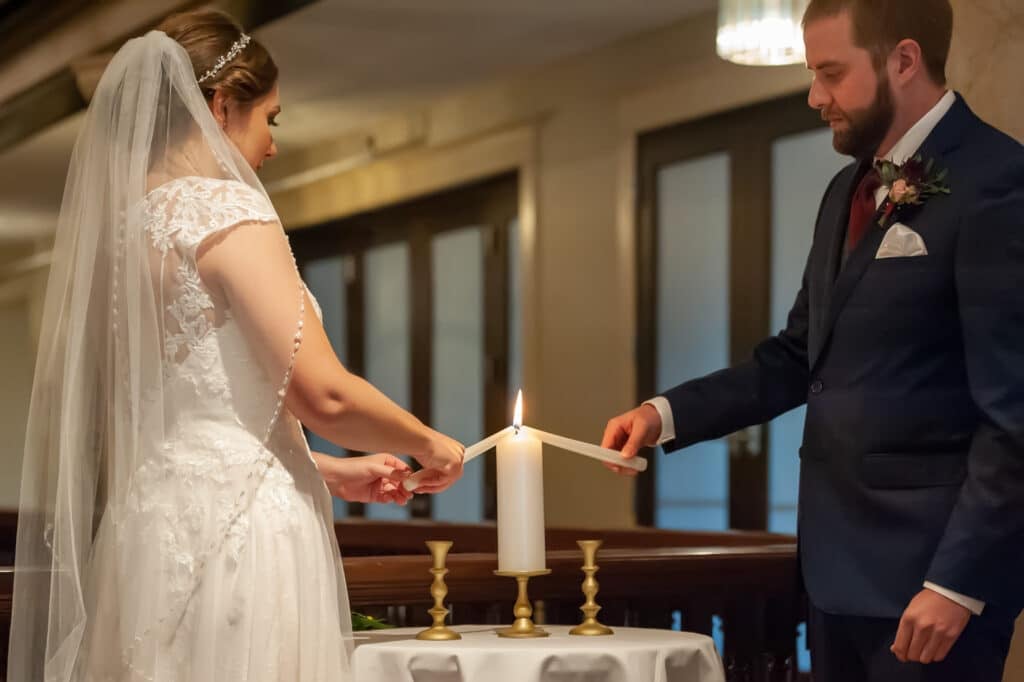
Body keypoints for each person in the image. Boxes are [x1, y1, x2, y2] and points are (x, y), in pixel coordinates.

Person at [8, 9, 464, 681]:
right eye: (269, 119)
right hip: (238, 537)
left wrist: (330, 472)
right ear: (222, 105)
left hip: (144, 533)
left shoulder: (116, 240)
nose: (272, 146)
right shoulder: (226, 212)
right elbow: (325, 395)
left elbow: (189, 413)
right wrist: (431, 442)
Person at [602, 1, 1024, 679]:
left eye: (831, 73)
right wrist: (664, 415)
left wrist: (958, 583)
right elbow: (800, 357)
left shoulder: (999, 182)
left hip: (931, 593)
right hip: (832, 582)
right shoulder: (845, 191)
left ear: (904, 61)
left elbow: (1015, 416)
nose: (814, 96)